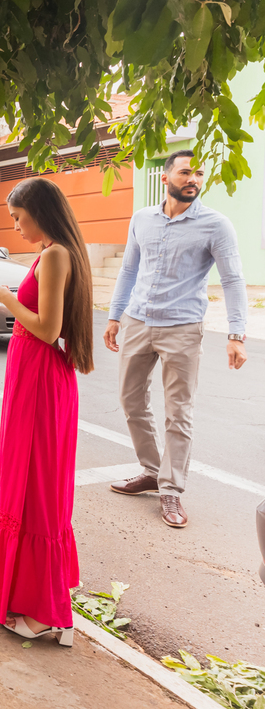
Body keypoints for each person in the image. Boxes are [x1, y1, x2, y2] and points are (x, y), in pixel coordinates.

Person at [0, 176, 94, 647]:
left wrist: (5, 299)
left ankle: (46, 615)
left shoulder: (57, 253)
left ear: (39, 212)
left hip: (41, 380)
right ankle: (35, 601)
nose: (16, 228)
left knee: (37, 487)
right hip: (32, 379)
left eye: (19, 218)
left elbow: (47, 329)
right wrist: (5, 291)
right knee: (25, 484)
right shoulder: (53, 253)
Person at [104, 150, 248, 529]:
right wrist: (115, 316)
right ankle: (152, 470)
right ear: (166, 176)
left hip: (182, 328)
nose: (194, 179)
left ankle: (171, 489)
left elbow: (232, 280)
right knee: (130, 401)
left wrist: (236, 334)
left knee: (178, 411)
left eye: (199, 173)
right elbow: (129, 269)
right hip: (137, 321)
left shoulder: (216, 225)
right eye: (186, 172)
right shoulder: (142, 219)